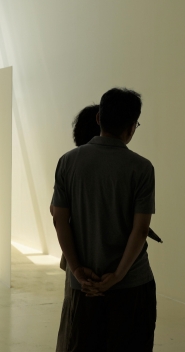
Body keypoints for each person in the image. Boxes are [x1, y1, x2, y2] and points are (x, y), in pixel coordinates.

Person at [51, 88, 157, 352]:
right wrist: (118, 275)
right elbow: (140, 229)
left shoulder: (67, 162)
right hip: (131, 284)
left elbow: (59, 220)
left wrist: (76, 269)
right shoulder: (142, 168)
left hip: (83, 284)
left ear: (98, 119)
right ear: (132, 127)